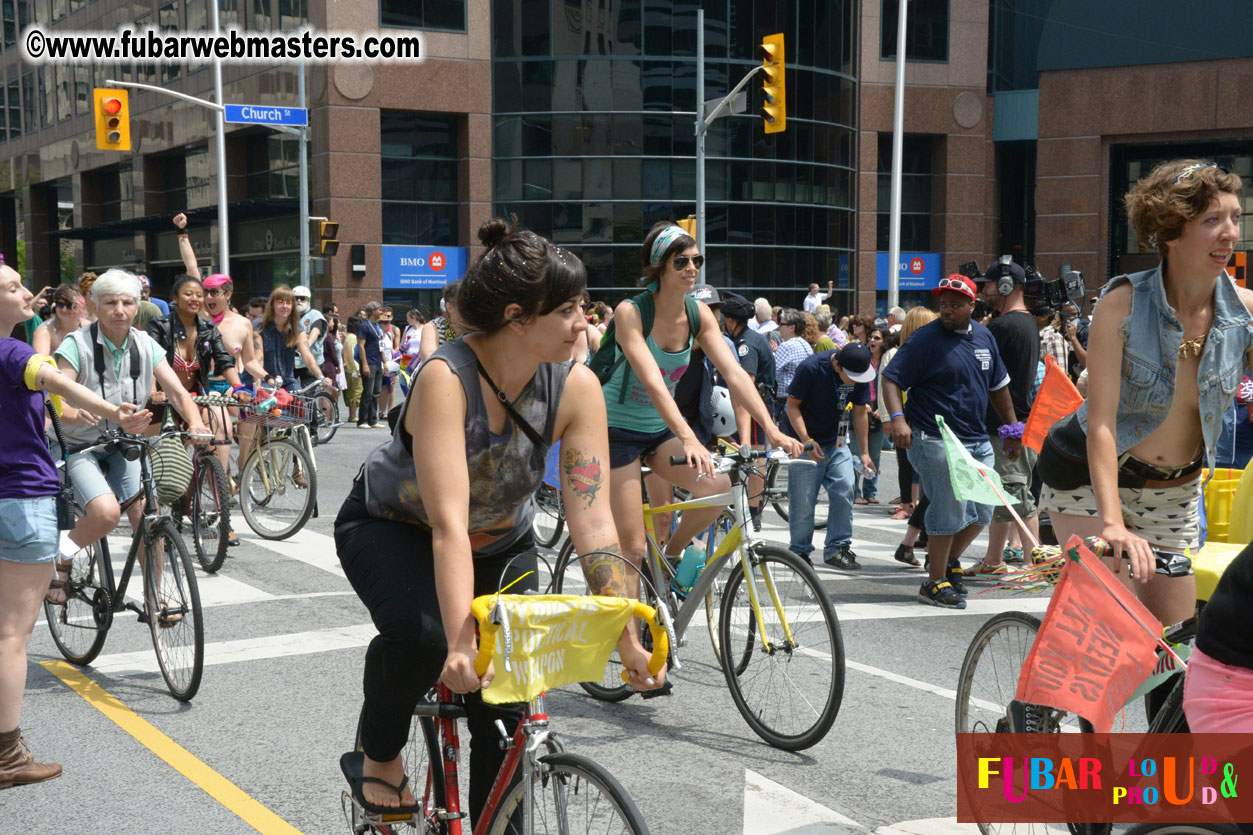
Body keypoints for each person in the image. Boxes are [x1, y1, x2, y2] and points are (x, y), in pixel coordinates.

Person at [334, 217, 664, 824]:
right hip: (394, 527)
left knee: (508, 709)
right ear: (517, 318)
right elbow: (448, 526)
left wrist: (625, 631)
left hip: (503, 541)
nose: (584, 323)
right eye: (567, 310)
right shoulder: (446, 378)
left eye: (584, 306)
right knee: (427, 637)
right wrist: (461, 642)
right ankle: (380, 754)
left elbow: (594, 526)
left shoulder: (578, 387)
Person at [1038, 160, 1253, 627]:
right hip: (1088, 480)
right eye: (1212, 220)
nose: (1230, 233)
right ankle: (1058, 676)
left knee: (1173, 643)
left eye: (1235, 218)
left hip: (1175, 493)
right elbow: (1101, 421)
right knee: (1110, 628)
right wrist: (1112, 523)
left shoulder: (1246, 313)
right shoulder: (1123, 304)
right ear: (1171, 230)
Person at [0, 261, 150, 790]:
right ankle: (7, 755)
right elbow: (55, 379)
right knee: (12, 635)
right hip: (20, 499)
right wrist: (115, 412)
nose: (28, 292)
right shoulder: (13, 352)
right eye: (13, 287)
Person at [603, 222, 801, 598]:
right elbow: (653, 382)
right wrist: (689, 437)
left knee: (717, 486)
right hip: (616, 429)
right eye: (681, 261)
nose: (692, 268)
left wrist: (772, 429)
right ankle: (629, 630)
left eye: (697, 260)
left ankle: (670, 558)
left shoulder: (699, 315)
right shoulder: (632, 312)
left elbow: (736, 374)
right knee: (631, 549)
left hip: (658, 427)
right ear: (659, 266)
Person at [51, 270, 209, 600]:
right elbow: (55, 400)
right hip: (81, 445)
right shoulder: (76, 344)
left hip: (125, 443)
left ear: (138, 306)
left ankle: (156, 597)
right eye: (110, 303)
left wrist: (196, 423)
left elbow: (177, 392)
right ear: (95, 306)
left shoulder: (146, 344)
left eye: (127, 302)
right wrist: (75, 413)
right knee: (106, 514)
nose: (120, 310)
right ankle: (63, 553)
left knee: (148, 515)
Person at [882, 274, 1019, 609]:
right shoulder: (925, 339)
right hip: (934, 437)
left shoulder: (985, 336)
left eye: (955, 305)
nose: (946, 310)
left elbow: (998, 387)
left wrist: (1013, 429)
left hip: (976, 439)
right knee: (949, 507)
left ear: (972, 306)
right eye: (943, 304)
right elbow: (891, 379)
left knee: (983, 510)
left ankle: (945, 563)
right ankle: (933, 582)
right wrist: (898, 419)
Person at [968, 260, 1041, 579]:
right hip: (1016, 423)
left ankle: (1033, 563)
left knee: (1016, 494)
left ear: (1007, 286)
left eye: (988, 284)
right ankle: (994, 558)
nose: (984, 290)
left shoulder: (1003, 327)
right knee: (1003, 495)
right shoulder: (1027, 323)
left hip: (1007, 427)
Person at [783, 343, 878, 570]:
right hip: (803, 441)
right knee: (803, 499)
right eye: (851, 377)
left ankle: (838, 548)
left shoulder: (859, 372)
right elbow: (792, 406)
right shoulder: (811, 368)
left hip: (836, 440)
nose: (855, 382)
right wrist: (806, 440)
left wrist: (865, 452)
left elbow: (860, 411)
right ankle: (799, 553)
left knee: (846, 487)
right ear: (837, 365)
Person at [884, 308, 940, 565]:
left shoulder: (912, 352)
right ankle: (924, 547)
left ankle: (912, 543)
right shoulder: (911, 354)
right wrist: (893, 419)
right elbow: (889, 384)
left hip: (913, 422)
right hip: (918, 423)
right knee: (936, 490)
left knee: (932, 491)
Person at [719, 292, 777, 528]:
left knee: (754, 456)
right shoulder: (751, 337)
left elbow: (746, 382)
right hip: (755, 402)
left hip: (753, 404)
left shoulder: (746, 344)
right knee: (748, 453)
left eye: (725, 320)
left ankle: (753, 511)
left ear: (731, 321)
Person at [258, 285, 324, 392]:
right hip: (264, 381)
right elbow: (256, 360)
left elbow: (307, 355)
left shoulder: (297, 329)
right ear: (272, 305)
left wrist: (320, 376)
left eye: (288, 303)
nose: (285, 306)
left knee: (301, 401)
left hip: (288, 382)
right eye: (280, 302)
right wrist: (265, 379)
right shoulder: (260, 328)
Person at [850, 327, 887, 505]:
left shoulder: (887, 361)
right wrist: (860, 404)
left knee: (874, 454)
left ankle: (870, 491)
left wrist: (883, 408)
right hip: (860, 405)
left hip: (878, 409)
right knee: (856, 453)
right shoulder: (863, 359)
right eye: (871, 337)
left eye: (877, 338)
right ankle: (855, 492)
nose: (872, 340)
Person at [772, 308, 813, 417]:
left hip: (785, 400)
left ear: (792, 327)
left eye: (781, 324)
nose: (779, 327)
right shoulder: (806, 345)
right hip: (802, 398)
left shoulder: (786, 346)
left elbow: (773, 372)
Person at [31, 285, 87, 357]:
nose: (64, 309)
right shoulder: (45, 330)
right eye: (60, 304)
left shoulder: (87, 327)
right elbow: (42, 361)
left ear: (79, 306)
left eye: (69, 305)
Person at [290, 285, 327, 389]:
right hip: (292, 362)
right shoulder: (288, 316)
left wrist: (307, 344)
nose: (298, 301)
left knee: (309, 393)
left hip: (311, 362)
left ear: (308, 300)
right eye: (295, 298)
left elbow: (316, 331)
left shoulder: (315, 315)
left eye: (302, 298)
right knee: (288, 392)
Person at [356, 301, 385, 428]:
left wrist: (385, 363)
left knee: (376, 392)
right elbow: (361, 346)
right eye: (379, 310)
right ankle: (362, 420)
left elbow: (381, 346)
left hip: (378, 362)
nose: (381, 312)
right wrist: (365, 364)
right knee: (368, 392)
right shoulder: (364, 326)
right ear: (373, 311)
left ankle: (373, 420)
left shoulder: (377, 326)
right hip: (369, 362)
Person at [418, 282, 463, 363]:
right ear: (449, 307)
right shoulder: (433, 327)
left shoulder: (477, 329)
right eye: (463, 303)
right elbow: (431, 363)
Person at [342, 313, 363, 424]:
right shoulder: (352, 338)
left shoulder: (348, 337)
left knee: (352, 391)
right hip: (354, 369)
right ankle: (353, 415)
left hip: (350, 368)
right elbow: (352, 355)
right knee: (355, 392)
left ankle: (353, 414)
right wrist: (358, 368)